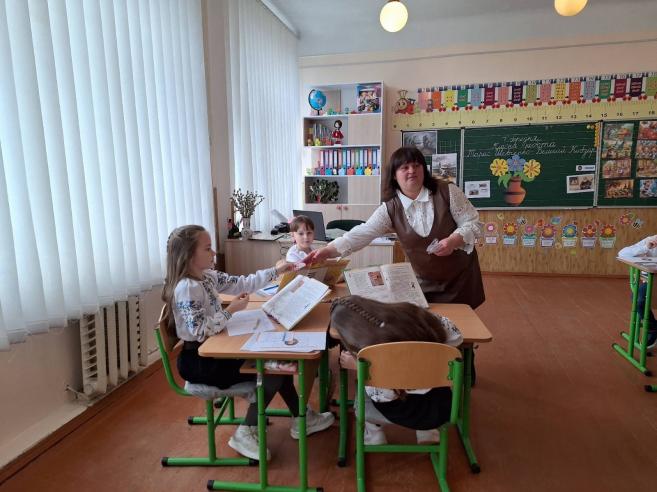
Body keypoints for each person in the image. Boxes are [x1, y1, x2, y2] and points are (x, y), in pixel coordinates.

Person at [161, 225, 334, 461]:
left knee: (279, 362)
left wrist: (276, 270)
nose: (214, 253)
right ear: (189, 255)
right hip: (201, 361)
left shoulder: (207, 277)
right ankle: (247, 430)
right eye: (208, 248)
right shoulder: (187, 288)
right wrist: (230, 311)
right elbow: (199, 331)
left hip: (215, 349)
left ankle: (301, 417)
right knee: (273, 370)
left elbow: (242, 283)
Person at [305, 146, 485, 309]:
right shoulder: (390, 208)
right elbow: (363, 233)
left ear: (424, 169)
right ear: (394, 175)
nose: (412, 170)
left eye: (416, 165)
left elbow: (473, 223)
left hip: (460, 280)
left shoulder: (447, 191)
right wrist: (327, 251)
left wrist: (453, 240)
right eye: (404, 167)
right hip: (425, 283)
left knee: (464, 328)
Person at [330, 295, 462, 445]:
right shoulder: (415, 317)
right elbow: (457, 338)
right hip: (442, 405)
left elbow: (381, 396)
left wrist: (359, 367)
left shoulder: (370, 353)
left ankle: (374, 434)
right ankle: (428, 432)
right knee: (424, 380)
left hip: (404, 413)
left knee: (363, 386)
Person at [618, 234, 657, 348]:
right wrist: (646, 247)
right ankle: (653, 327)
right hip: (653, 281)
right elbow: (622, 253)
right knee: (639, 299)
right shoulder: (652, 240)